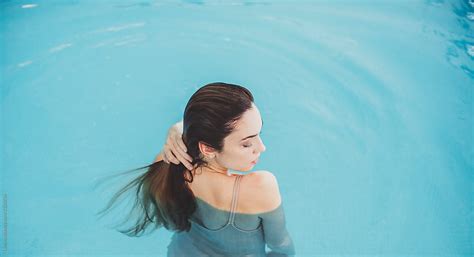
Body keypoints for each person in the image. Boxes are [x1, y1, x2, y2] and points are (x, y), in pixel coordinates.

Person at [96, 82, 296, 256]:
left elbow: (170, 223)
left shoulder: (168, 164)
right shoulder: (261, 186)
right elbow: (281, 245)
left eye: (258, 134)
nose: (261, 148)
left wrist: (179, 128)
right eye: (246, 144)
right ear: (207, 148)